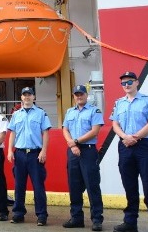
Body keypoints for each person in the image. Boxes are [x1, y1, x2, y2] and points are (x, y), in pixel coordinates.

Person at [111, 72, 148, 232]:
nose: (126, 85)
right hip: (125, 146)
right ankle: (130, 222)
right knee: (129, 186)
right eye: (123, 83)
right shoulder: (119, 103)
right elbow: (115, 124)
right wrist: (125, 138)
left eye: (129, 82)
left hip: (143, 146)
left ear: (136, 83)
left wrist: (134, 137)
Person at [7, 87, 51, 226]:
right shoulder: (16, 114)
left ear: (34, 97)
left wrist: (43, 151)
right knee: (19, 186)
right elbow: (12, 133)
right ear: (21, 97)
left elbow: (45, 133)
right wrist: (9, 150)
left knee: (38, 186)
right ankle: (18, 213)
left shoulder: (41, 113)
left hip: (35, 154)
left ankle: (42, 215)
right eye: (24, 95)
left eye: (29, 95)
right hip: (19, 153)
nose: (27, 97)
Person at [62, 85, 104, 230]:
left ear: (86, 95)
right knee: (74, 186)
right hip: (73, 151)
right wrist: (72, 145)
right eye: (76, 94)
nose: (79, 96)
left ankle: (97, 219)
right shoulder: (69, 111)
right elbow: (65, 129)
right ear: (74, 96)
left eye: (81, 94)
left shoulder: (94, 111)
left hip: (88, 151)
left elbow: (95, 131)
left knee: (92, 186)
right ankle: (76, 218)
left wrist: (76, 141)